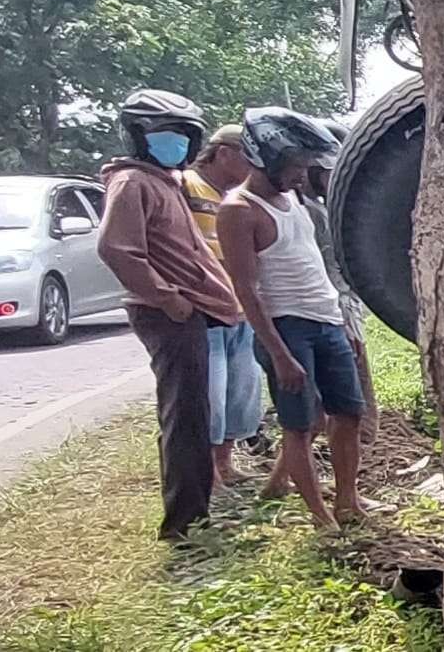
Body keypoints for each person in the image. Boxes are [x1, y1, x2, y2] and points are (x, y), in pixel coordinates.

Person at [97, 89, 241, 542]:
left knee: (195, 413)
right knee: (184, 416)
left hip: (189, 311)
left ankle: (195, 514)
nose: (175, 142)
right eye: (164, 134)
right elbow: (117, 250)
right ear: (139, 136)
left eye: (182, 134)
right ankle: (184, 524)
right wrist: (169, 299)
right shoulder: (132, 183)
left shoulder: (164, 181)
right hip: (168, 314)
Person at [217, 107, 368, 528]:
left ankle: (348, 500)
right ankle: (320, 517)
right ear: (262, 158)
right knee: (299, 426)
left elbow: (312, 263)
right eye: (293, 166)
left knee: (348, 414)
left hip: (325, 320)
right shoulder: (238, 210)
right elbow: (246, 289)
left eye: (304, 165)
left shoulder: (293, 199)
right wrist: (279, 354)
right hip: (286, 326)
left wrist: (341, 322)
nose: (302, 174)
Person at [181, 124, 265, 489]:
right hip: (205, 309)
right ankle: (207, 473)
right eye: (247, 157)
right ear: (224, 153)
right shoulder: (184, 185)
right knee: (209, 394)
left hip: (241, 306)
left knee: (240, 392)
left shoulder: (239, 197)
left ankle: (225, 463)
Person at [301, 118, 380, 447]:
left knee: (353, 397)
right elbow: (321, 271)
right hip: (330, 312)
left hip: (343, 307)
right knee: (341, 401)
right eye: (330, 171)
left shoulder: (324, 209)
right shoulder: (307, 213)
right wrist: (342, 318)